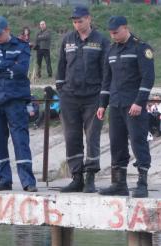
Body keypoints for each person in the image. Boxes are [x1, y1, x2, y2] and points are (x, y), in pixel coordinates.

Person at [97, 16, 155, 198]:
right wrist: (102, 105)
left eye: (116, 32)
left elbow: (148, 78)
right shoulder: (111, 50)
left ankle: (142, 183)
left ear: (125, 28)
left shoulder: (141, 47)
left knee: (138, 142)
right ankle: (119, 184)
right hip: (115, 105)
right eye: (110, 33)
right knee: (117, 144)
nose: (113, 36)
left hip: (133, 105)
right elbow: (107, 80)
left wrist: (139, 102)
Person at [56, 5, 110, 193]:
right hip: (70, 96)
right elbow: (61, 67)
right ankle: (76, 177)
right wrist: (61, 90)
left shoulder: (101, 40)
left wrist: (104, 96)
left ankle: (90, 178)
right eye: (74, 21)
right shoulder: (67, 40)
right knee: (71, 137)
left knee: (92, 137)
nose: (77, 24)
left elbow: (106, 71)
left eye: (80, 20)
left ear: (88, 19)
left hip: (93, 97)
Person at [0, 16, 37, 192]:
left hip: (16, 99)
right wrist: (8, 65)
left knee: (20, 140)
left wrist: (0, 68)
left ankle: (28, 181)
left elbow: (21, 69)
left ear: (7, 30)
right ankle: (4, 180)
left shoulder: (22, 46)